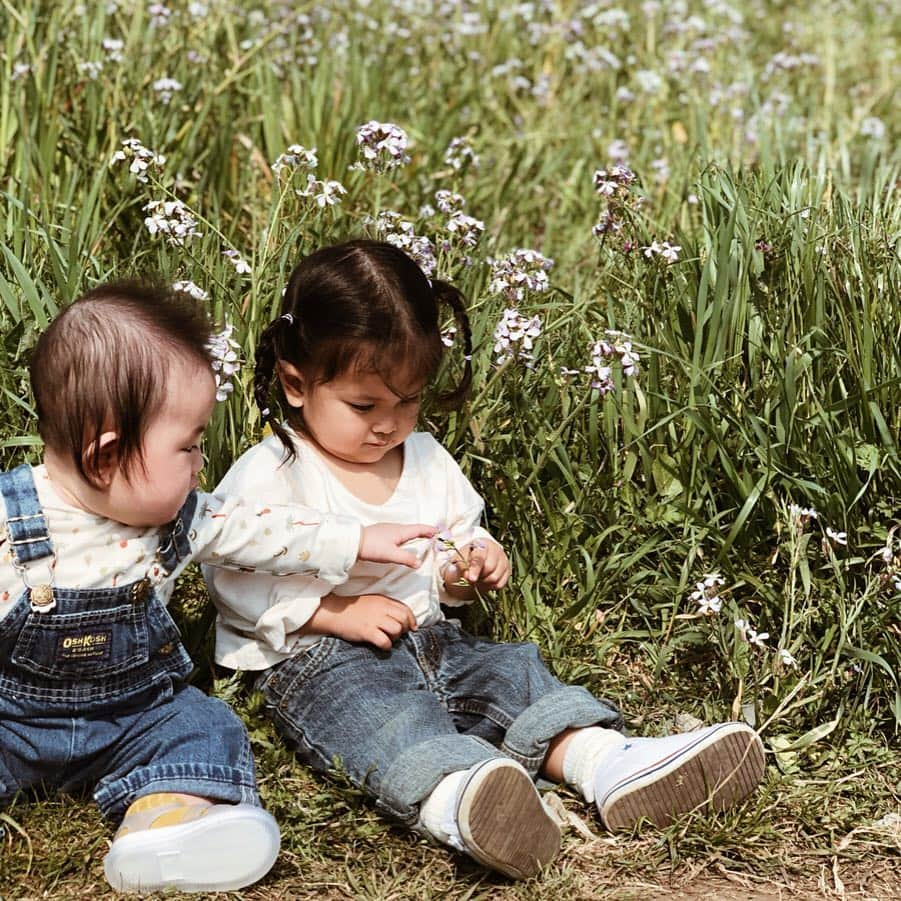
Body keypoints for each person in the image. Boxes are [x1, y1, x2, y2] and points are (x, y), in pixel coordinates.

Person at [205, 240, 766, 880]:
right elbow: (232, 573)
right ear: (296, 383)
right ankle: (460, 801)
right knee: (379, 720)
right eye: (364, 406)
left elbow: (453, 542)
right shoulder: (275, 471)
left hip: (435, 640)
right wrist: (333, 612)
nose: (389, 426)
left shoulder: (423, 460)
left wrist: (468, 566)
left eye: (409, 401)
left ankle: (607, 762)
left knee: (511, 674)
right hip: (321, 660)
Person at [0, 280, 435, 894]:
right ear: (106, 457)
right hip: (15, 719)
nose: (202, 462)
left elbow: (263, 531)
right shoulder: (12, 523)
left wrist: (356, 541)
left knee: (204, 724)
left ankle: (165, 822)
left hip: (134, 716)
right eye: (190, 445)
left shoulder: (178, 515)